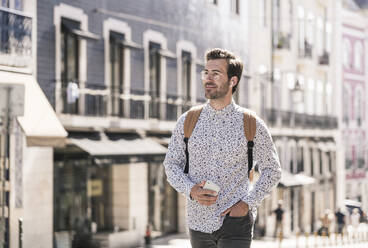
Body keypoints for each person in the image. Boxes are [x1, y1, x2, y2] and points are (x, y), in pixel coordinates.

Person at [163, 48, 281, 248]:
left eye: (216, 73)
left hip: (236, 222)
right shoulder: (188, 120)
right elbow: (171, 165)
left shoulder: (251, 123)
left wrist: (247, 204)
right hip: (198, 222)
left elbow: (273, 170)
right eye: (206, 73)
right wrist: (190, 189)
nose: (208, 78)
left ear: (232, 81)